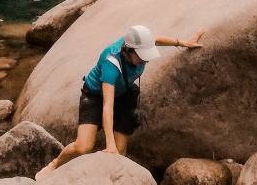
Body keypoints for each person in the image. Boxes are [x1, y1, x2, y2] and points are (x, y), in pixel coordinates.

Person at [36, 24, 204, 177]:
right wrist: (109, 144)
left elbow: (157, 39)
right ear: (128, 51)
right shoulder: (112, 62)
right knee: (83, 147)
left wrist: (183, 43)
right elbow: (107, 106)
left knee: (121, 150)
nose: (145, 60)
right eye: (142, 56)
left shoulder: (139, 43)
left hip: (124, 93)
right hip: (96, 95)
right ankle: (55, 164)